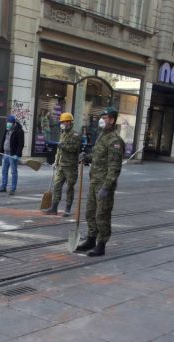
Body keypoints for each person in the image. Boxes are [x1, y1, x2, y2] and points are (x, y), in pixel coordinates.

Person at [74, 106, 125, 257]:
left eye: (105, 118)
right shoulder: (102, 136)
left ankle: (101, 244)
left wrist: (107, 187)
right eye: (101, 118)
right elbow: (98, 157)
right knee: (90, 213)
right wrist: (86, 156)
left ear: (112, 120)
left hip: (104, 185)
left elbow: (115, 167)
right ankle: (91, 240)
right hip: (94, 182)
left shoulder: (115, 141)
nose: (102, 120)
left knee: (102, 215)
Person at [44, 112, 82, 216]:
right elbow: (59, 151)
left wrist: (62, 146)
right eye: (61, 122)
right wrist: (55, 162)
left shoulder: (76, 135)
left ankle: (67, 209)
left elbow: (74, 149)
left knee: (69, 188)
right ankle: (54, 207)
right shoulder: (63, 134)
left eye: (64, 122)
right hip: (61, 165)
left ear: (69, 122)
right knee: (57, 186)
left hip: (71, 166)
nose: (62, 124)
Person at [0, 114, 24, 195]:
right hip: (5, 153)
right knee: (4, 171)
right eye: (7, 122)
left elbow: (21, 144)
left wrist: (17, 155)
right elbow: (3, 140)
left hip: (12, 154)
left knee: (13, 172)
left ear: (14, 123)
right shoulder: (7, 129)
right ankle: (3, 187)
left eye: (9, 123)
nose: (8, 124)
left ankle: (13, 189)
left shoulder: (19, 131)